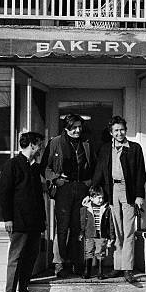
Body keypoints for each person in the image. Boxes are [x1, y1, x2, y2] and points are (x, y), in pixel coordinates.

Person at [93, 116, 146, 284]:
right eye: (116, 130)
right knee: (116, 231)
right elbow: (100, 171)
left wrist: (139, 195)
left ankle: (128, 269)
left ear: (126, 130)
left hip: (128, 191)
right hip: (112, 191)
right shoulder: (106, 149)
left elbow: (140, 174)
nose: (119, 133)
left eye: (122, 129)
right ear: (111, 132)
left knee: (128, 230)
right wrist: (94, 190)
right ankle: (117, 266)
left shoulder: (135, 148)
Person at [43, 114, 95, 277]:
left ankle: (76, 262)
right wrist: (55, 179)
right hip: (63, 189)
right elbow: (44, 167)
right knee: (62, 227)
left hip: (81, 189)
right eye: (74, 127)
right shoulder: (55, 142)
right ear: (66, 128)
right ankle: (59, 263)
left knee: (78, 227)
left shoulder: (86, 143)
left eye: (80, 127)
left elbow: (94, 165)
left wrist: (90, 182)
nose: (78, 130)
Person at [0, 132, 46, 292]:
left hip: (34, 223)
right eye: (39, 144)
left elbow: (38, 198)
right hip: (18, 222)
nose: (41, 148)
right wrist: (8, 219)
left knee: (30, 258)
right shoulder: (12, 165)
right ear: (32, 145)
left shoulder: (34, 168)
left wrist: (43, 221)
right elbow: (4, 194)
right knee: (16, 258)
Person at [79, 186, 115, 279]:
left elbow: (110, 223)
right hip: (89, 234)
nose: (101, 200)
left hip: (101, 235)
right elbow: (83, 222)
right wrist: (82, 232)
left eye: (102, 197)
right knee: (88, 252)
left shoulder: (106, 209)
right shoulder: (85, 209)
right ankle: (87, 272)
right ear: (91, 198)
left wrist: (111, 236)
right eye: (98, 198)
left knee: (100, 252)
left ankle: (100, 272)